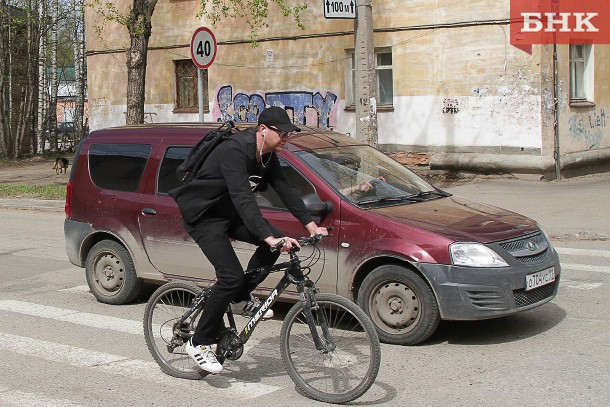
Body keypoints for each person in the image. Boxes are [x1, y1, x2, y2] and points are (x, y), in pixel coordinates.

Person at [171, 106, 328, 374]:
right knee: (230, 276)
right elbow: (243, 197)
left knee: (274, 245)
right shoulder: (235, 150)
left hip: (230, 214)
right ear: (263, 130)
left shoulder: (267, 156)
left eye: (288, 134)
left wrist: (311, 224)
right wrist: (267, 236)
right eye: (283, 133)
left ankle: (240, 297)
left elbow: (285, 189)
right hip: (204, 217)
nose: (286, 138)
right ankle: (198, 343)